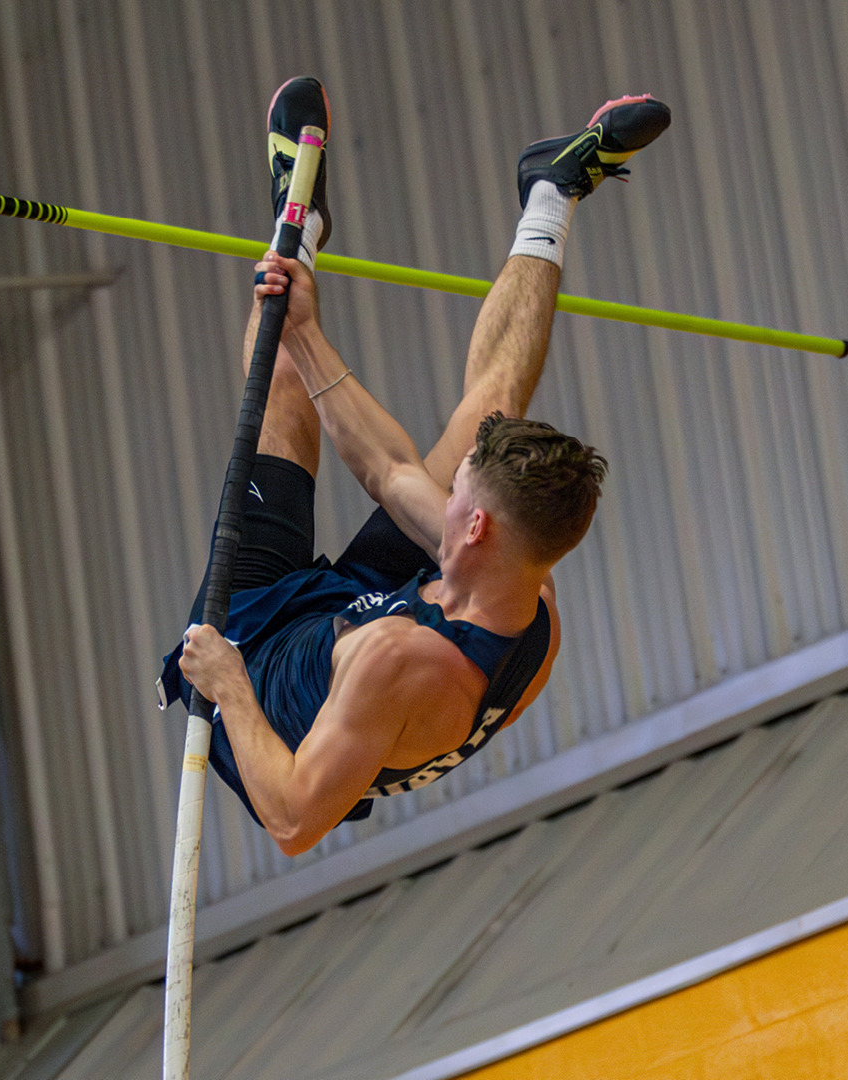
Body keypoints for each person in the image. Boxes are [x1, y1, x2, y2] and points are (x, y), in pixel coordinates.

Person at [161, 76, 669, 856]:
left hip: (264, 660)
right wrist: (308, 327)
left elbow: (294, 822)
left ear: (473, 525)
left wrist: (226, 682)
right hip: (373, 618)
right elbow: (390, 469)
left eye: (460, 489)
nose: (449, 481)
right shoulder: (529, 595)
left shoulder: (402, 659)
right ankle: (550, 193)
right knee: (490, 404)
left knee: (283, 390)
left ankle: (296, 221)